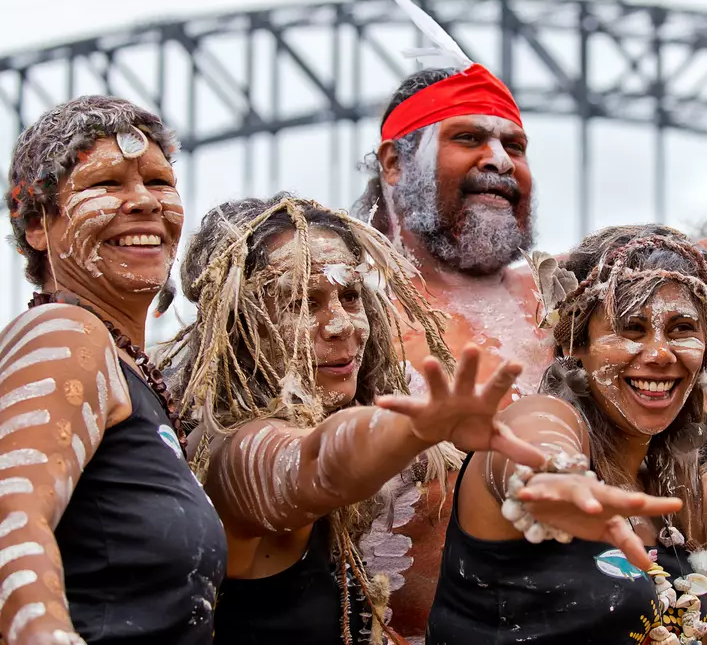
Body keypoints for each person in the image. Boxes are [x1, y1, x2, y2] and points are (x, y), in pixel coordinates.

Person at [353, 0, 707, 638]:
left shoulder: (566, 300)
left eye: (515, 144)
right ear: (394, 161)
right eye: (469, 138)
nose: (499, 159)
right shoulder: (345, 309)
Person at [159, 193, 558, 645]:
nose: (341, 325)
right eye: (302, 303)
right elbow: (313, 463)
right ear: (239, 326)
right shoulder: (228, 453)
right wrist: (411, 430)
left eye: (349, 297)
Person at [410, 224, 707, 645]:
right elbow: (538, 441)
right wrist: (556, 478)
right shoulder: (543, 416)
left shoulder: (678, 493)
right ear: (576, 342)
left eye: (682, 328)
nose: (658, 354)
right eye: (631, 328)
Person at [0, 96, 225, 644]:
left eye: (158, 181)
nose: (144, 202)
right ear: (36, 226)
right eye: (105, 184)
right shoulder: (65, 334)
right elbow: (11, 521)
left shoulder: (125, 367)